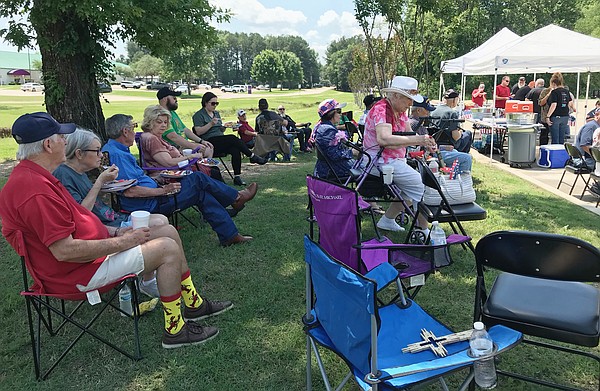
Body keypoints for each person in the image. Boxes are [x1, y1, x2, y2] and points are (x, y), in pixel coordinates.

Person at [0, 112, 233, 349]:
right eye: (62, 137)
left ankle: (194, 305)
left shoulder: (38, 178)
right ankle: (175, 330)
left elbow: (78, 222)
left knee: (169, 232)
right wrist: (125, 241)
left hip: (88, 259)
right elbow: (65, 251)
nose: (66, 141)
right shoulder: (34, 190)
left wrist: (115, 233)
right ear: (48, 145)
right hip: (76, 274)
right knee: (167, 248)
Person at [102, 113, 256, 246]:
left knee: (200, 192)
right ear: (125, 131)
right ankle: (236, 198)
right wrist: (162, 190)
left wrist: (157, 179)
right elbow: (130, 191)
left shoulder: (115, 149)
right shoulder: (118, 155)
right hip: (149, 204)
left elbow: (135, 180)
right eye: (132, 127)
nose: (134, 130)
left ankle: (229, 235)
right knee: (198, 179)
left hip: (153, 195)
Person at [52, 128, 169, 297]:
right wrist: (100, 182)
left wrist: (110, 184)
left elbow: (89, 197)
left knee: (161, 220)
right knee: (158, 224)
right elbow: (81, 214)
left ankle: (147, 275)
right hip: (105, 227)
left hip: (112, 218)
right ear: (79, 153)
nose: (101, 155)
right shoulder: (64, 175)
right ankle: (147, 280)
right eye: (97, 151)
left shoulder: (80, 172)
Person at [363, 75, 437, 233]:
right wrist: (418, 139)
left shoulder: (398, 109)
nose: (411, 103)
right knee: (419, 184)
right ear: (395, 95)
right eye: (408, 99)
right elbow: (383, 139)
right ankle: (423, 230)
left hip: (391, 160)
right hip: (378, 162)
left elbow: (408, 134)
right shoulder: (381, 109)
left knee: (412, 188)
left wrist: (426, 142)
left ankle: (387, 220)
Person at [191, 92, 267, 186]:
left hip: (220, 140)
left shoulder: (216, 114)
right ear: (205, 103)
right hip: (208, 142)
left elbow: (220, 130)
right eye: (213, 103)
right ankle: (252, 156)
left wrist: (224, 127)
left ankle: (237, 177)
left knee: (235, 149)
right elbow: (198, 132)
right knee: (232, 138)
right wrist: (211, 124)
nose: (215, 106)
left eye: (216, 103)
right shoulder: (198, 115)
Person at [138, 105, 222, 181]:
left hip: (177, 170)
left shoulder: (155, 137)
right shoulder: (152, 138)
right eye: (159, 122)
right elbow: (168, 162)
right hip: (170, 175)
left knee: (213, 171)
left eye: (165, 122)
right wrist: (191, 156)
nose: (163, 125)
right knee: (212, 173)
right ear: (150, 122)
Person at [410, 98, 472, 173]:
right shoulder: (415, 124)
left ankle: (450, 177)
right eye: (426, 110)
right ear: (418, 111)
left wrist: (442, 147)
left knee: (454, 150)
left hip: (432, 151)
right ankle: (462, 180)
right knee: (467, 158)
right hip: (427, 155)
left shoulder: (417, 123)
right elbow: (418, 147)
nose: (428, 112)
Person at [156, 87, 214, 157]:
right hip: (172, 148)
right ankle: (205, 167)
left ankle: (206, 167)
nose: (176, 100)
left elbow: (185, 130)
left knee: (208, 148)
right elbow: (173, 137)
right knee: (207, 150)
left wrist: (201, 141)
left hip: (182, 146)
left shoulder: (172, 113)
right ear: (164, 99)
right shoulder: (161, 115)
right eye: (174, 98)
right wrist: (193, 146)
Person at [312, 98, 355, 180]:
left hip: (330, 167)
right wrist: (352, 152)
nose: (341, 114)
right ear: (330, 114)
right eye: (338, 111)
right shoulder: (328, 130)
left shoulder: (325, 127)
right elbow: (334, 155)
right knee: (369, 171)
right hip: (332, 169)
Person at [430, 89, 472, 153]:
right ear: (454, 100)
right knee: (468, 133)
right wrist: (460, 133)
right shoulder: (452, 113)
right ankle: (462, 156)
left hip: (435, 141)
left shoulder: (433, 111)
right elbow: (455, 137)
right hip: (449, 143)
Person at [546, 72, 574, 144]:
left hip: (556, 116)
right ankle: (561, 152)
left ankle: (555, 154)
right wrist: (574, 108)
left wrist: (548, 116)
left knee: (555, 138)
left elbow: (554, 105)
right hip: (565, 116)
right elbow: (570, 103)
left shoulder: (554, 92)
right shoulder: (567, 91)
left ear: (553, 83)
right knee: (561, 138)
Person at [525, 78, 548, 144]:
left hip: (534, 112)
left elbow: (526, 99)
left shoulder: (533, 90)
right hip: (544, 113)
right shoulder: (546, 91)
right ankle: (543, 144)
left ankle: (531, 142)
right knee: (544, 130)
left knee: (533, 128)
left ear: (537, 84)